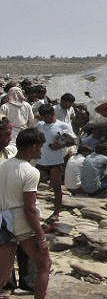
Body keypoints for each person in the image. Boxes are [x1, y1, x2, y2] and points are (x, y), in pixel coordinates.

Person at [0, 128, 52, 299]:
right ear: (33, 147)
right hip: (21, 223)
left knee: (4, 270)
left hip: (4, 222)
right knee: (44, 264)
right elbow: (29, 208)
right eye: (40, 146)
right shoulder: (31, 172)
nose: (41, 150)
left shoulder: (4, 166)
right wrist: (40, 235)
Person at [35, 104, 76, 221]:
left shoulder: (63, 125)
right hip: (41, 160)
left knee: (56, 187)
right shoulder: (39, 125)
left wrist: (60, 145)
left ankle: (56, 212)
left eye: (45, 116)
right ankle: (33, 210)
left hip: (55, 162)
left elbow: (73, 141)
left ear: (52, 114)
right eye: (41, 116)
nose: (43, 118)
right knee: (33, 186)